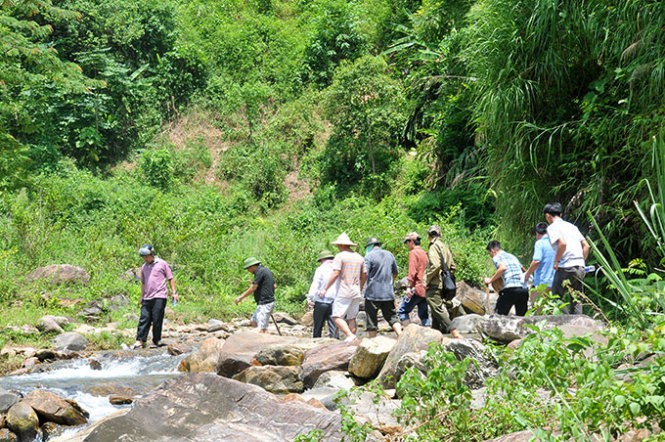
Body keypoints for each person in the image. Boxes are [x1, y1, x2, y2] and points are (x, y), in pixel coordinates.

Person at [543, 202, 590, 314]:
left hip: (566, 267)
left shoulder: (552, 227)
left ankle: (565, 320)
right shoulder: (572, 227)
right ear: (561, 214)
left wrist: (556, 261)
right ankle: (577, 324)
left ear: (548, 216)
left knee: (555, 296)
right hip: (580, 267)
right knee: (577, 298)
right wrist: (581, 261)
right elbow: (586, 246)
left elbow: (562, 244)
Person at [319, 233, 365, 344]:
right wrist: (361, 286)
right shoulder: (359, 257)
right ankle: (353, 339)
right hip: (356, 291)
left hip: (344, 290)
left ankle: (350, 336)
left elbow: (335, 273)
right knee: (351, 318)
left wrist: (325, 288)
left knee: (336, 316)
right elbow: (364, 275)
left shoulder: (340, 256)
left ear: (341, 245)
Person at [132, 244, 178, 350]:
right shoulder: (144, 267)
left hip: (160, 296)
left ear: (152, 254)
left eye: (146, 256)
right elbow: (143, 283)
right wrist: (141, 296)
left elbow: (170, 278)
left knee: (157, 318)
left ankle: (156, 341)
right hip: (147, 297)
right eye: (143, 257)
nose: (145, 259)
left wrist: (174, 292)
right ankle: (140, 341)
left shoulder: (162, 264)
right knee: (144, 318)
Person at [425, 225, 463, 337]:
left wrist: (426, 279)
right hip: (445, 284)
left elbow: (435, 265)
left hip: (435, 283)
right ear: (439, 234)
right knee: (435, 310)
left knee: (436, 307)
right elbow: (453, 267)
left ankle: (454, 332)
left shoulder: (433, 247)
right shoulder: (444, 246)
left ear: (429, 236)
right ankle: (436, 335)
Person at [363, 237, 402, 337]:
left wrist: (361, 286)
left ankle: (373, 341)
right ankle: (400, 335)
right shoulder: (389, 254)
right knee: (392, 317)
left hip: (372, 293)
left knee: (371, 319)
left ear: (370, 246)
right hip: (388, 293)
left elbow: (365, 273)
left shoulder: (369, 256)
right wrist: (389, 283)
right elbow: (395, 273)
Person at [484, 240, 529, 316]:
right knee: (522, 319)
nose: (491, 256)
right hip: (523, 290)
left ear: (492, 250)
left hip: (510, 290)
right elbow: (524, 270)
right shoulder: (512, 256)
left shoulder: (496, 257)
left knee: (497, 317)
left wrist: (490, 280)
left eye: (490, 254)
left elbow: (502, 268)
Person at [235, 257, 276, 334]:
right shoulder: (265, 270)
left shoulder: (260, 272)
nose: (248, 271)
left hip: (265, 303)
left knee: (262, 329)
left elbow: (253, 287)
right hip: (263, 303)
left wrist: (241, 297)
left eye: (248, 268)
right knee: (253, 321)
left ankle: (265, 342)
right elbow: (274, 286)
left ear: (252, 266)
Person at [398, 232, 430, 327]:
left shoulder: (413, 253)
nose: (406, 244)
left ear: (411, 241)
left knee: (402, 311)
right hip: (425, 288)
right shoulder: (424, 253)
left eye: (406, 242)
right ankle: (428, 333)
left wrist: (408, 287)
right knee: (424, 314)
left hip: (416, 288)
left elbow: (412, 272)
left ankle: (409, 334)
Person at [306, 250, 338, 338]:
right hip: (335, 302)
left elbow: (315, 284)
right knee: (334, 327)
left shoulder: (320, 269)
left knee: (318, 327)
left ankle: (316, 345)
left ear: (322, 259)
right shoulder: (337, 269)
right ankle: (336, 346)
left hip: (321, 301)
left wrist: (310, 298)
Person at [523, 222, 556, 308]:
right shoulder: (555, 243)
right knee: (551, 309)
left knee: (538, 311)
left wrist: (527, 274)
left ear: (537, 233)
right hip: (555, 282)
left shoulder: (540, 243)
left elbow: (536, 261)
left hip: (542, 283)